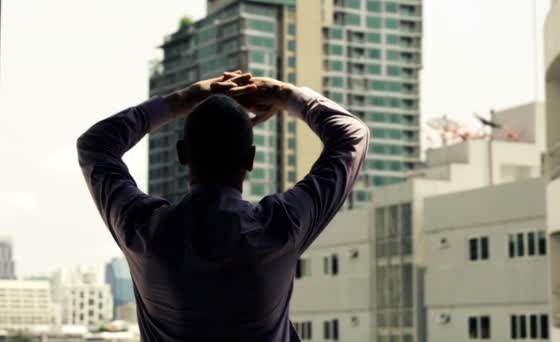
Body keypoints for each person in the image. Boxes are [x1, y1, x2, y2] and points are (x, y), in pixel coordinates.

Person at [77, 71, 369, 342]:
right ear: (250, 159)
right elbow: (352, 135)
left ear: (182, 153)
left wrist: (185, 99)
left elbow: (95, 145)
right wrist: (282, 94)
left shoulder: (145, 232)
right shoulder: (280, 228)